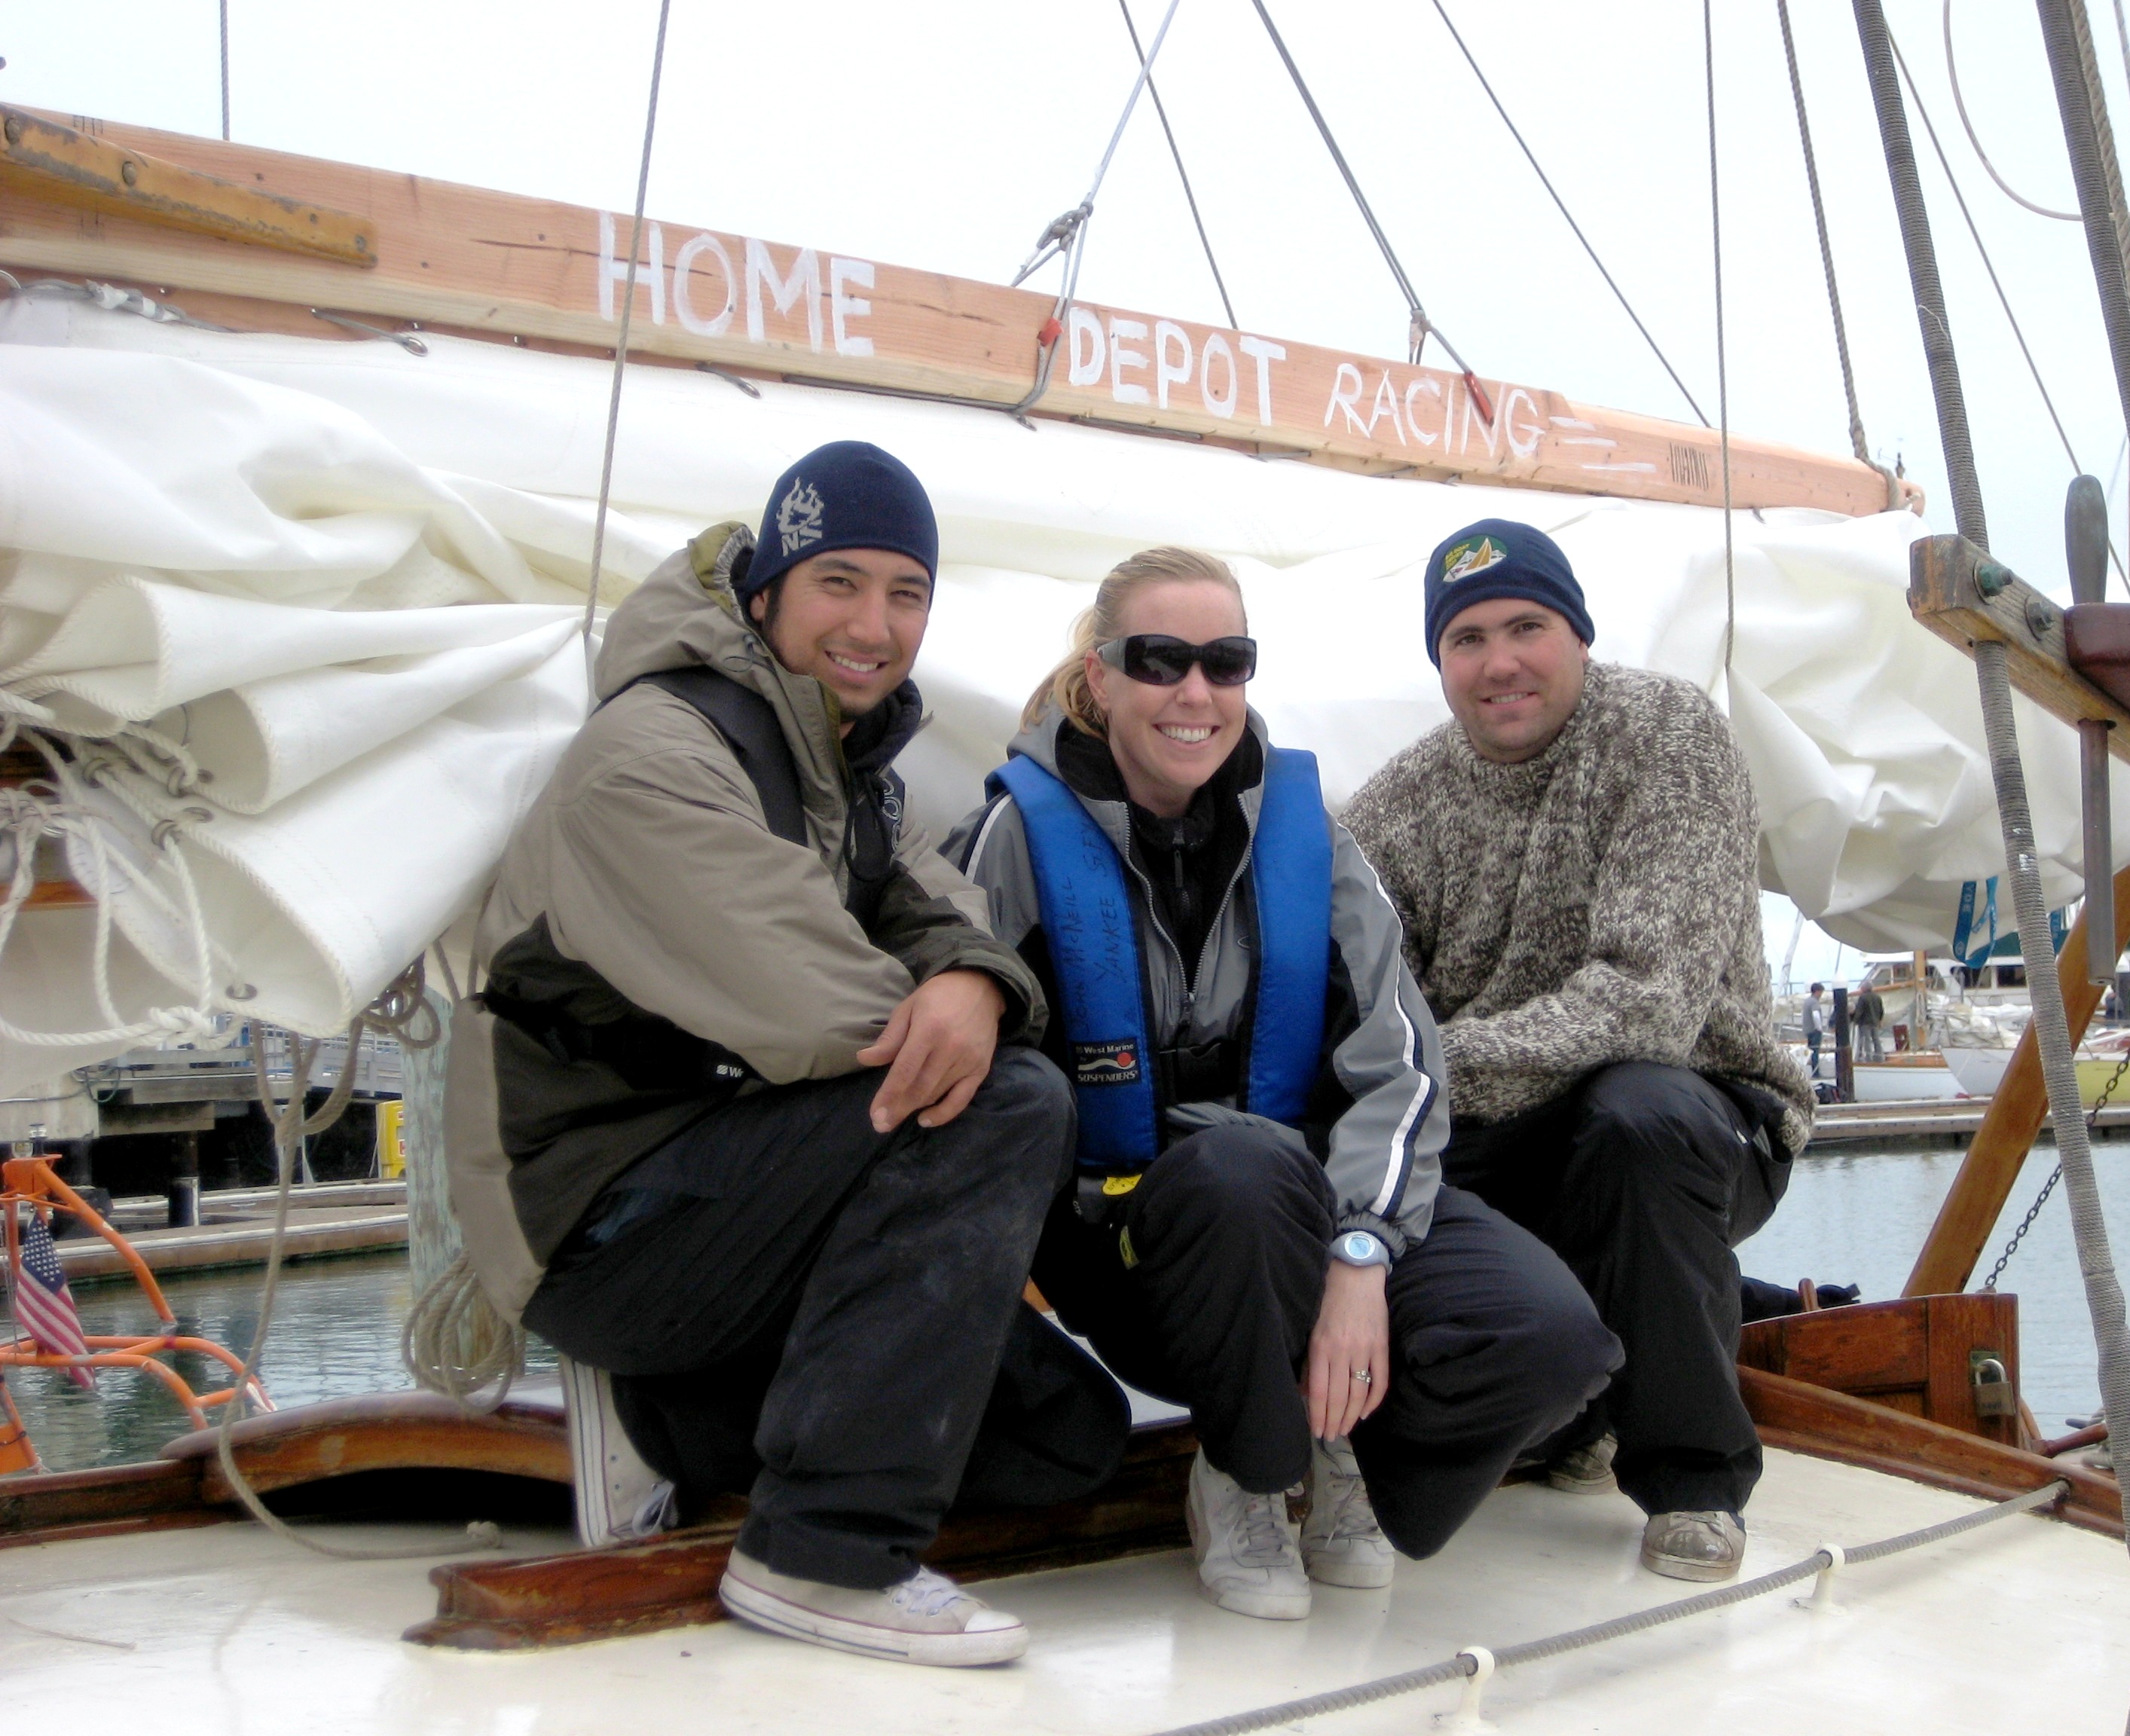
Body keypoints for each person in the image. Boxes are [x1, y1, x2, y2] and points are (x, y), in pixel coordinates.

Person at [445, 442, 1126, 1670]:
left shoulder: (839, 763)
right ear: (764, 589)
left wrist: (976, 977)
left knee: (1065, 1433)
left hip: (735, 1188)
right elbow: (825, 1014)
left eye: (905, 592)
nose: (874, 623)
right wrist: (970, 1015)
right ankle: (821, 1552)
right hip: (599, 1213)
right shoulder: (656, 755)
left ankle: (687, 1412)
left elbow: (937, 911)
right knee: (999, 1101)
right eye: (839, 583)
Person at [945, 547, 1621, 1621]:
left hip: (1314, 1211)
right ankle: (1248, 1470)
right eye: (1159, 659)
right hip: (1143, 1245)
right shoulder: (1013, 839)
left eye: (1227, 660)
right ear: (1101, 676)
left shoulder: (1315, 842)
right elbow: (957, 1046)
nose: (1195, 692)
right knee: (1239, 1167)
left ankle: (1341, 1445)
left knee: (1552, 1341)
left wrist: (1362, 1250)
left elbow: (1403, 1067)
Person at [1341, 518, 1813, 1582]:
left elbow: (1646, 1004)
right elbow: (1352, 1002)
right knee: (1342, 1173)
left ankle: (1695, 1476)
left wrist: (1426, 1075)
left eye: (1527, 626)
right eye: (1467, 639)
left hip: (1703, 1110)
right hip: (1501, 1126)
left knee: (1631, 1116)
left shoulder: (1668, 737)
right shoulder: (1398, 805)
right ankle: (1492, 1420)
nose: (1499, 661)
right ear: (1441, 662)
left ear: (1580, 635)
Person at [1853, 980, 1885, 1062]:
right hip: (1875, 1022)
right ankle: (1880, 1057)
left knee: (1867, 1041)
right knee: (1876, 1040)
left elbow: (1859, 1011)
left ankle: (1869, 1058)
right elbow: (1881, 1010)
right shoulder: (1878, 997)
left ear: (1864, 988)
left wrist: (1855, 1021)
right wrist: (1880, 1020)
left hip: (1865, 1023)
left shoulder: (1863, 997)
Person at [1802, 984, 1827, 1078]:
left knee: (1811, 1051)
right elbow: (1816, 1015)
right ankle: (1816, 1073)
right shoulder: (1814, 1002)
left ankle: (1811, 1072)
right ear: (1817, 991)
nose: (1821, 994)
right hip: (1815, 1030)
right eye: (1821, 992)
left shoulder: (1807, 1001)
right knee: (1815, 1051)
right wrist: (1819, 1028)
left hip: (1808, 1030)